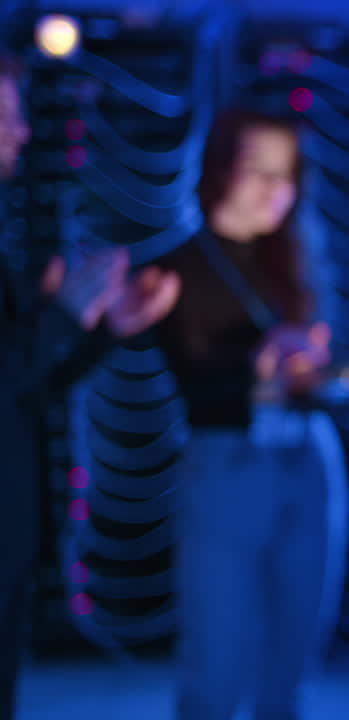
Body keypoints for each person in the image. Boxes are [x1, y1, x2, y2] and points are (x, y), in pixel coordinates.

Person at [0, 52, 181, 720]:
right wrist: (65, 314)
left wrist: (108, 330)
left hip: (14, 532)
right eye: (2, 116)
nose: (19, 132)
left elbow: (25, 390)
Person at [154, 108, 348, 720]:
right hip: (226, 463)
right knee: (217, 658)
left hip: (306, 456)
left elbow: (330, 356)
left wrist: (312, 365)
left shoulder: (296, 256)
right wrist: (257, 369)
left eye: (286, 174)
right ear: (219, 170)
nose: (276, 189)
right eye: (257, 170)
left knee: (292, 658)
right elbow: (195, 378)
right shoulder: (178, 267)